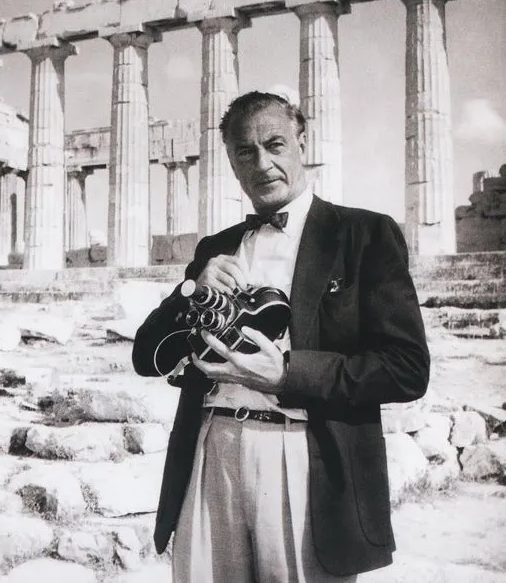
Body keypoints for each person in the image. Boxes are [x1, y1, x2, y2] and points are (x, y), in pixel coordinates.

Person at [133, 91, 430, 582]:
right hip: (211, 451)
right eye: (244, 152)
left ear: (302, 143)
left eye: (274, 144)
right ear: (230, 161)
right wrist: (191, 292)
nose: (262, 163)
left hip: (304, 458)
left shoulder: (364, 234)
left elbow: (407, 369)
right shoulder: (215, 248)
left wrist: (288, 373)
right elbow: (147, 356)